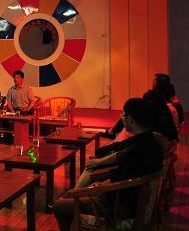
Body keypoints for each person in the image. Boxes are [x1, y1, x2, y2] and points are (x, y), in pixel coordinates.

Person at [52, 98, 164, 231]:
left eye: (123, 115)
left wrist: (94, 189)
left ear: (130, 119)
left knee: (59, 206)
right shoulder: (153, 143)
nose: (121, 118)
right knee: (75, 196)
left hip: (119, 206)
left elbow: (120, 182)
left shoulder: (136, 150)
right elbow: (122, 176)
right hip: (136, 202)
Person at [100, 73, 176, 140]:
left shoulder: (156, 98)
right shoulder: (164, 104)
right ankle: (113, 132)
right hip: (162, 136)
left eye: (154, 81)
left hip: (154, 137)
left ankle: (112, 132)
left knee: (131, 116)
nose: (152, 83)